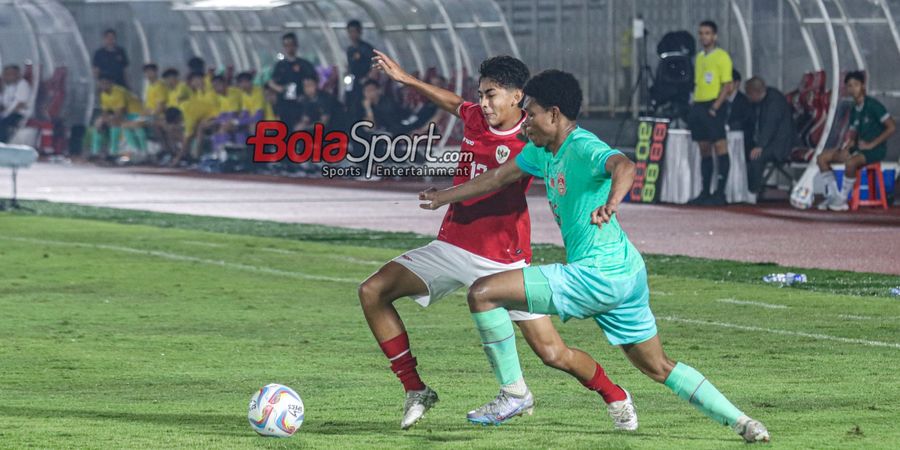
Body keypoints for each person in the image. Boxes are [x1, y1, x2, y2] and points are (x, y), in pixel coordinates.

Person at [418, 69, 770, 443]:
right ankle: (744, 423)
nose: (526, 124)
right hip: (627, 272)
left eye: (531, 114)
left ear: (554, 115)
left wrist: (613, 202)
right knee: (659, 366)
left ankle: (514, 394)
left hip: (595, 275)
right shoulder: (542, 151)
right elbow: (497, 177)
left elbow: (624, 165)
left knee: (483, 293)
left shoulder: (582, 145)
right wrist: (445, 197)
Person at [362, 51, 635, 431]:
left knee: (553, 353)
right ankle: (416, 389)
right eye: (481, 94)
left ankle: (615, 395)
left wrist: (595, 202)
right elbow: (453, 102)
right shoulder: (476, 117)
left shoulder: (534, 136)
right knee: (373, 291)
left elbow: (519, 174)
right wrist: (407, 79)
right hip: (452, 243)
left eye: (491, 95)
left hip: (502, 258)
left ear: (517, 96)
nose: (483, 103)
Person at [816, 71, 895, 211]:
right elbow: (853, 135)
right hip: (859, 147)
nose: (853, 89)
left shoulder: (873, 105)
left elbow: (892, 127)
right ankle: (834, 196)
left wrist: (872, 144)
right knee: (822, 158)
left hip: (876, 149)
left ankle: (843, 199)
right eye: (849, 86)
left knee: (851, 162)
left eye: (856, 85)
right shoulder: (853, 109)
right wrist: (847, 147)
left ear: (863, 86)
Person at [687, 20, 734, 206]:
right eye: (701, 33)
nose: (703, 36)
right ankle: (705, 191)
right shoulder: (699, 57)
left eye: (707, 33)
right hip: (699, 104)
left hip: (714, 105)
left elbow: (727, 85)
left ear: (715, 36)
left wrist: (716, 106)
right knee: (704, 149)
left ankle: (720, 193)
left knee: (720, 147)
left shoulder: (722, 56)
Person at [744, 77, 798, 195]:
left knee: (756, 157)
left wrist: (760, 146)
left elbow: (770, 125)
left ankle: (753, 191)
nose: (748, 98)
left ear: (755, 92)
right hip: (769, 142)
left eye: (749, 94)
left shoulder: (775, 101)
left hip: (781, 144)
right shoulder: (762, 101)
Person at [268, 33, 317, 131]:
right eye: (286, 45)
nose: (289, 48)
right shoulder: (280, 65)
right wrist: (280, 89)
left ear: (296, 45)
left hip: (300, 104)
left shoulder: (304, 65)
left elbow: (313, 81)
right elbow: (271, 82)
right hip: (284, 105)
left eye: (291, 45)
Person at [91, 74, 146, 158]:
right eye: (101, 83)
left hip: (135, 114)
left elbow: (121, 111)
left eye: (106, 83)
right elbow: (105, 112)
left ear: (111, 83)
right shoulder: (103, 95)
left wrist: (109, 119)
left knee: (115, 123)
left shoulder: (119, 92)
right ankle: (95, 152)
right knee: (98, 124)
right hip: (124, 115)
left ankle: (114, 152)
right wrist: (102, 120)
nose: (103, 86)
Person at [170, 72, 219, 166]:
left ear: (203, 79)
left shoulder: (211, 92)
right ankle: (185, 154)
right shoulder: (197, 94)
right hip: (203, 118)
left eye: (198, 80)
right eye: (194, 81)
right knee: (180, 129)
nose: (196, 83)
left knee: (199, 128)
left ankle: (196, 157)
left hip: (216, 117)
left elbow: (216, 108)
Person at [345, 19, 376, 108]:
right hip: (352, 81)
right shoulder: (350, 49)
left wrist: (367, 78)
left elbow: (374, 65)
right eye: (350, 32)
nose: (352, 35)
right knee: (350, 101)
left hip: (363, 81)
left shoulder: (366, 48)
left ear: (359, 32)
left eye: (354, 31)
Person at [0, 65, 31, 143]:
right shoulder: (8, 86)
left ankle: (2, 144)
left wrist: (4, 114)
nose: (6, 77)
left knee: (3, 123)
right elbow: (3, 103)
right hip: (7, 113)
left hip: (19, 114)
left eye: (9, 74)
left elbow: (20, 104)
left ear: (17, 74)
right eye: (5, 74)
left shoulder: (23, 85)